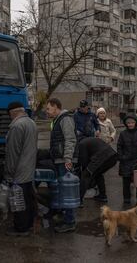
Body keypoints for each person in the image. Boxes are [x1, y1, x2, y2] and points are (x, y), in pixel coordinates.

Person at [4, 102, 38, 237]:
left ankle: (21, 228)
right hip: (29, 168)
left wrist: (8, 173)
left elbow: (13, 153)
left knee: (18, 201)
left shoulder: (16, 126)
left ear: (12, 113)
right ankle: (28, 224)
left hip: (19, 171)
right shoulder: (31, 123)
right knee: (28, 199)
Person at [46, 98, 78, 233]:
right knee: (62, 190)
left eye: (48, 108)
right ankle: (65, 216)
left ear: (55, 107)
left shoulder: (65, 119)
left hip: (64, 161)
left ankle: (70, 222)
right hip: (59, 160)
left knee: (67, 191)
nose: (46, 111)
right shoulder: (57, 120)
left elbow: (70, 139)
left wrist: (68, 159)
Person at [78, 137, 117, 203]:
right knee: (98, 174)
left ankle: (79, 200)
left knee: (85, 175)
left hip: (102, 157)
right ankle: (102, 196)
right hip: (113, 157)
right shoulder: (90, 139)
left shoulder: (81, 144)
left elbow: (84, 161)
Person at [117, 114, 137, 205]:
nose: (130, 124)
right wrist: (121, 156)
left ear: (135, 123)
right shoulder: (123, 134)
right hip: (126, 161)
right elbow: (119, 146)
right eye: (128, 123)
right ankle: (126, 198)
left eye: (132, 122)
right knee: (126, 181)